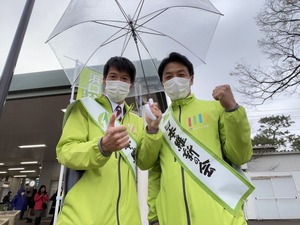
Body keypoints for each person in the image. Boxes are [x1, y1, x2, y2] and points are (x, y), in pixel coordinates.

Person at [147, 52, 253, 225]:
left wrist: (233, 110)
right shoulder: (161, 123)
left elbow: (240, 156)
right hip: (172, 218)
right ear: (162, 83)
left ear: (191, 79)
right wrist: (154, 217)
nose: (175, 80)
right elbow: (155, 174)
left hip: (221, 218)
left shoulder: (215, 109)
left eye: (181, 75)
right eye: (169, 77)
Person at [56, 56, 162, 225]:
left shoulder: (137, 122)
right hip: (84, 217)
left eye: (124, 78)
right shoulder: (83, 109)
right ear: (104, 80)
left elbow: (144, 162)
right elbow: (65, 152)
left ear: (131, 85)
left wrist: (152, 130)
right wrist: (101, 147)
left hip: (127, 218)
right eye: (113, 77)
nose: (118, 82)